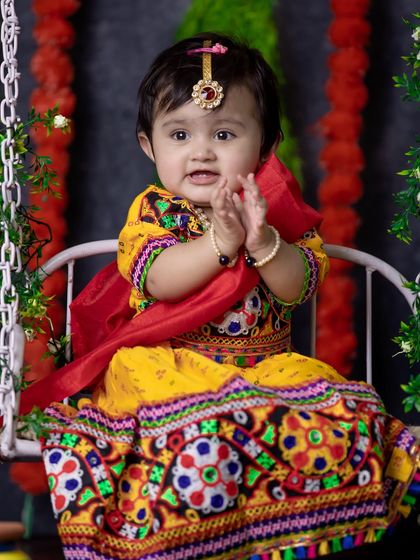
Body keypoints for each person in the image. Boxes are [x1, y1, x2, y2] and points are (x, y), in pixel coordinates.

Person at [22, 33, 418, 560]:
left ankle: (282, 539)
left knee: (339, 423)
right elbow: (159, 278)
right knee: (202, 436)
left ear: (266, 146)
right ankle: (195, 538)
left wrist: (264, 243)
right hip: (170, 369)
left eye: (225, 133)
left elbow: (299, 285)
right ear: (149, 146)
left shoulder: (274, 215)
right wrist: (220, 243)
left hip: (264, 369)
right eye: (179, 133)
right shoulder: (156, 214)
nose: (201, 151)